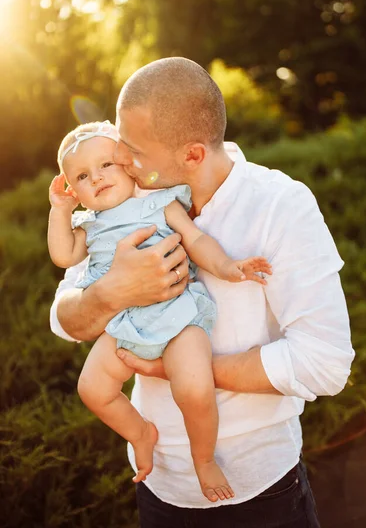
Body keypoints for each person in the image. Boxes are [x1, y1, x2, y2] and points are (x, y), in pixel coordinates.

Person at [50, 57, 355, 528]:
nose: (118, 161)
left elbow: (325, 362)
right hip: (159, 489)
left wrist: (176, 369)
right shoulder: (122, 203)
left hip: (260, 492)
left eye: (130, 151)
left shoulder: (281, 205)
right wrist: (112, 292)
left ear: (191, 154)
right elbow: (65, 319)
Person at [47, 120, 271, 502]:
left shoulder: (160, 201)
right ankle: (141, 433)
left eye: (106, 165)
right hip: (126, 324)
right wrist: (59, 211)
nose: (97, 178)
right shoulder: (88, 226)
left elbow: (196, 239)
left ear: (126, 163)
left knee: (194, 388)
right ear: (75, 191)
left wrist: (227, 267)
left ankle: (203, 460)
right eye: (83, 176)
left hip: (178, 316)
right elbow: (62, 255)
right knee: (93, 388)